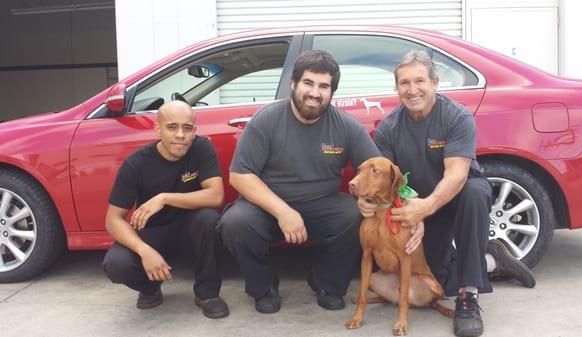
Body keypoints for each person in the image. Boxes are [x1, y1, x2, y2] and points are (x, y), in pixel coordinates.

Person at [358, 50, 536, 337]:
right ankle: (493, 261)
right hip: (419, 205)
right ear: (397, 87)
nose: (412, 90)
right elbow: (384, 185)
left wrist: (424, 209)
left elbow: (456, 175)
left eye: (419, 81)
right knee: (432, 284)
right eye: (404, 83)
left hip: (455, 198)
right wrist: (369, 203)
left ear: (435, 82)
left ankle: (469, 296)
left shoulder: (456, 117)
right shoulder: (388, 129)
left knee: (475, 192)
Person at [217, 50, 379, 314]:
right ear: (293, 83)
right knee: (236, 223)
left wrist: (367, 196)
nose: (315, 93)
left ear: (331, 92)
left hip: (321, 204)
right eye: (308, 83)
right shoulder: (267, 120)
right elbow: (240, 175)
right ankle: (264, 286)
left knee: (355, 214)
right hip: (267, 208)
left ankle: (327, 282)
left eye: (323, 86)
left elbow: (377, 168)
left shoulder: (346, 126)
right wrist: (283, 211)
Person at [102, 100, 229, 319]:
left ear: (194, 131)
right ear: (157, 129)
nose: (180, 134)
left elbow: (216, 196)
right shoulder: (136, 164)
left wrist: (164, 198)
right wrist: (144, 251)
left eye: (187, 128)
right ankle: (150, 289)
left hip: (191, 231)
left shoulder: (201, 148)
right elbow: (113, 220)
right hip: (153, 234)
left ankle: (207, 293)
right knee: (116, 264)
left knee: (208, 218)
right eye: (172, 127)